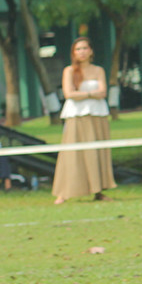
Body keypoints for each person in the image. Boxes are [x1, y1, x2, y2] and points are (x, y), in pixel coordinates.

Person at [51, 36, 116, 204]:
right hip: (76, 116)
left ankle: (98, 190)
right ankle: (64, 192)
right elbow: (69, 94)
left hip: (97, 115)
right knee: (72, 152)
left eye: (84, 48)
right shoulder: (69, 71)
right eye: (78, 49)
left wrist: (85, 95)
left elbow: (103, 92)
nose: (82, 52)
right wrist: (89, 95)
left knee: (97, 152)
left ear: (91, 51)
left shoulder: (98, 70)